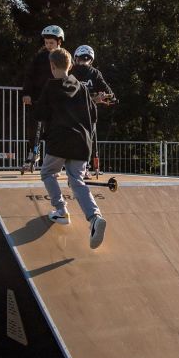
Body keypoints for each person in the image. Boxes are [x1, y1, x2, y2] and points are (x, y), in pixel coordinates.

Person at [34, 48, 107, 249]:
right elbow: (93, 115)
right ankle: (94, 217)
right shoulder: (82, 87)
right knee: (77, 180)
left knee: (48, 172)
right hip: (82, 141)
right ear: (71, 66)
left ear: (52, 66)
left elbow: (40, 114)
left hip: (59, 140)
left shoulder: (50, 86)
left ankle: (61, 210)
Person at [21, 25, 64, 170]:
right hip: (39, 97)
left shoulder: (63, 57)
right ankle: (33, 151)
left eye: (51, 43)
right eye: (46, 42)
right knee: (33, 126)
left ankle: (54, 157)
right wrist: (26, 93)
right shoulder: (40, 57)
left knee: (54, 128)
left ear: (59, 42)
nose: (48, 45)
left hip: (56, 99)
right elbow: (29, 75)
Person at [70, 45, 117, 178]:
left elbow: (109, 92)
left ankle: (80, 168)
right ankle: (81, 168)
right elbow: (110, 93)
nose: (84, 62)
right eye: (83, 59)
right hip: (81, 112)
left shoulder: (81, 72)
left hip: (79, 112)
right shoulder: (87, 72)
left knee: (81, 139)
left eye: (85, 59)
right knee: (86, 139)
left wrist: (109, 97)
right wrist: (107, 97)